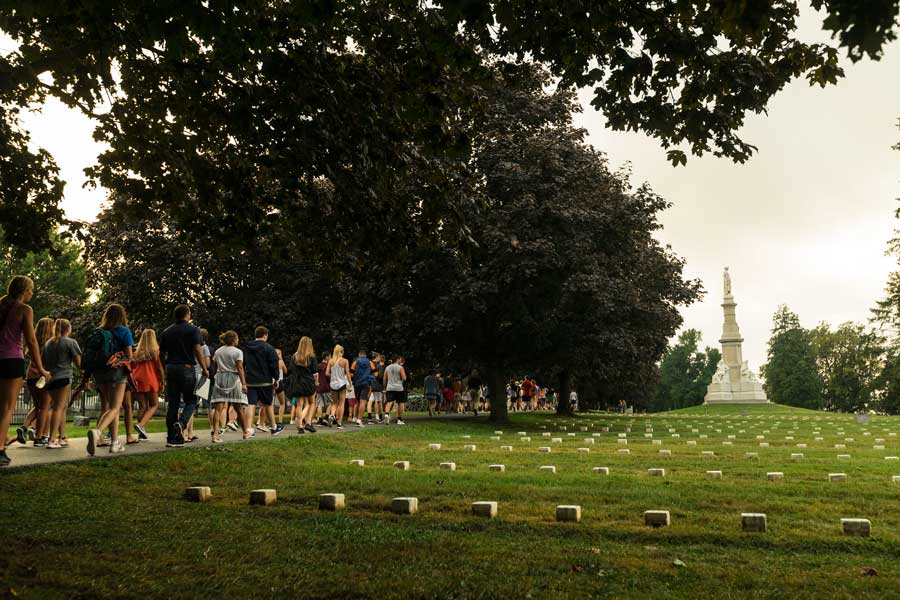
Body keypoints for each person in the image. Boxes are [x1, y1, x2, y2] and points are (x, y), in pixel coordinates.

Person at [0, 276, 51, 466]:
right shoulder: (24, 309)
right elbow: (31, 340)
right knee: (7, 408)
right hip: (12, 359)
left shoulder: (1, 305)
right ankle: (0, 450)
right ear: (23, 291)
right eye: (31, 290)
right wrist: (40, 368)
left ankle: (3, 438)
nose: (32, 293)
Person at [86, 303, 135, 455]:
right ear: (122, 316)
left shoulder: (99, 331)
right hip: (116, 372)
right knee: (115, 407)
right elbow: (129, 356)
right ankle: (97, 432)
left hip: (100, 373)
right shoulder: (124, 331)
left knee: (110, 408)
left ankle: (114, 443)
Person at [158, 304, 208, 448]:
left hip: (171, 368)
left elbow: (161, 353)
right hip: (187, 368)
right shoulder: (193, 330)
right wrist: (204, 368)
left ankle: (171, 438)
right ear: (187, 314)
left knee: (173, 403)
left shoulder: (167, 331)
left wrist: (164, 367)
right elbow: (198, 349)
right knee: (192, 400)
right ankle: (181, 423)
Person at [41, 319, 82, 449]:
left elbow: (43, 362)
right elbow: (79, 363)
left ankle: (62, 437)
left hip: (50, 379)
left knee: (61, 407)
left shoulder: (48, 343)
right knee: (58, 408)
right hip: (64, 377)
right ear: (68, 328)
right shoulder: (70, 342)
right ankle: (52, 440)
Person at [18, 316, 54, 446]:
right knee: (45, 407)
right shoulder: (51, 344)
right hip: (44, 376)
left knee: (38, 406)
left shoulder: (33, 343)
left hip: (31, 376)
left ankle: (24, 427)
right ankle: (40, 437)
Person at [210, 330, 249, 443]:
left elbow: (216, 366)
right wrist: (244, 383)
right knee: (238, 407)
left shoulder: (218, 351)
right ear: (234, 339)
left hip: (220, 379)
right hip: (233, 379)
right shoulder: (238, 352)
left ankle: (215, 435)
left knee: (218, 409)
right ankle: (245, 432)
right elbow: (240, 368)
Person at [243, 326, 280, 435]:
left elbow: (243, 363)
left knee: (251, 403)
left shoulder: (247, 347)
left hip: (250, 380)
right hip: (265, 380)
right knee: (268, 403)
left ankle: (248, 428)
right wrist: (276, 378)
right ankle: (273, 427)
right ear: (265, 335)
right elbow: (274, 365)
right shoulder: (269, 348)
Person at [131, 328, 164, 440]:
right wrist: (162, 381)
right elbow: (159, 368)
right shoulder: (154, 352)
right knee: (154, 405)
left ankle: (141, 433)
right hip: (150, 379)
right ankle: (141, 425)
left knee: (142, 406)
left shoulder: (136, 352)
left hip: (137, 379)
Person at [286, 336, 318, 434]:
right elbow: (315, 373)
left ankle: (300, 426)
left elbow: (290, 370)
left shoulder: (294, 356)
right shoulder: (311, 356)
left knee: (299, 405)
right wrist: (316, 382)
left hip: (296, 382)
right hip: (308, 382)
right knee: (311, 402)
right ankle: (308, 422)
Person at [184, 328, 211, 443]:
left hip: (187, 374)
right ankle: (186, 432)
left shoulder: (188, 346)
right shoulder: (204, 348)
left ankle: (190, 432)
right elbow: (208, 363)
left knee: (190, 404)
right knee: (192, 404)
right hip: (199, 375)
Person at [326, 344, 350, 429]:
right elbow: (347, 373)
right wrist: (350, 384)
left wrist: (333, 375)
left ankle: (332, 415)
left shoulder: (330, 361)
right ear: (342, 352)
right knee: (341, 403)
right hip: (342, 384)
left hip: (333, 384)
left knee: (334, 403)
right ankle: (339, 423)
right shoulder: (345, 361)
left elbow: (327, 373)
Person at [349, 349, 374, 427]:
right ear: (365, 355)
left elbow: (351, 374)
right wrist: (370, 378)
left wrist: (354, 380)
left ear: (359, 355)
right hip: (366, 384)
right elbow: (375, 373)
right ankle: (359, 420)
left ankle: (355, 418)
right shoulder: (370, 362)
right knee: (363, 402)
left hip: (357, 384)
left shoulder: (355, 362)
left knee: (357, 402)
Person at [383, 355, 407, 425]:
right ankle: (399, 419)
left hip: (390, 387)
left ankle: (387, 414)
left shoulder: (387, 367)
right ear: (397, 360)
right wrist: (401, 380)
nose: (400, 360)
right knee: (400, 403)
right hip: (399, 388)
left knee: (389, 402)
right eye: (399, 359)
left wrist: (384, 387)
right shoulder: (400, 367)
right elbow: (404, 378)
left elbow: (384, 378)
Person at [367, 352, 386, 424]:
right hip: (377, 385)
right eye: (379, 357)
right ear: (377, 357)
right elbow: (380, 376)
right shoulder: (378, 365)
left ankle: (370, 419)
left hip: (369, 384)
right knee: (379, 401)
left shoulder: (369, 364)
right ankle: (379, 418)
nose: (379, 358)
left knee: (370, 401)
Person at [315, 351, 332, 427]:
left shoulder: (318, 366)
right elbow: (328, 376)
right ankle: (326, 417)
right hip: (326, 387)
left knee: (319, 404)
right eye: (330, 356)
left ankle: (319, 420)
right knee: (330, 403)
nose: (331, 358)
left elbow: (315, 375)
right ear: (327, 357)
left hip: (318, 387)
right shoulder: (327, 366)